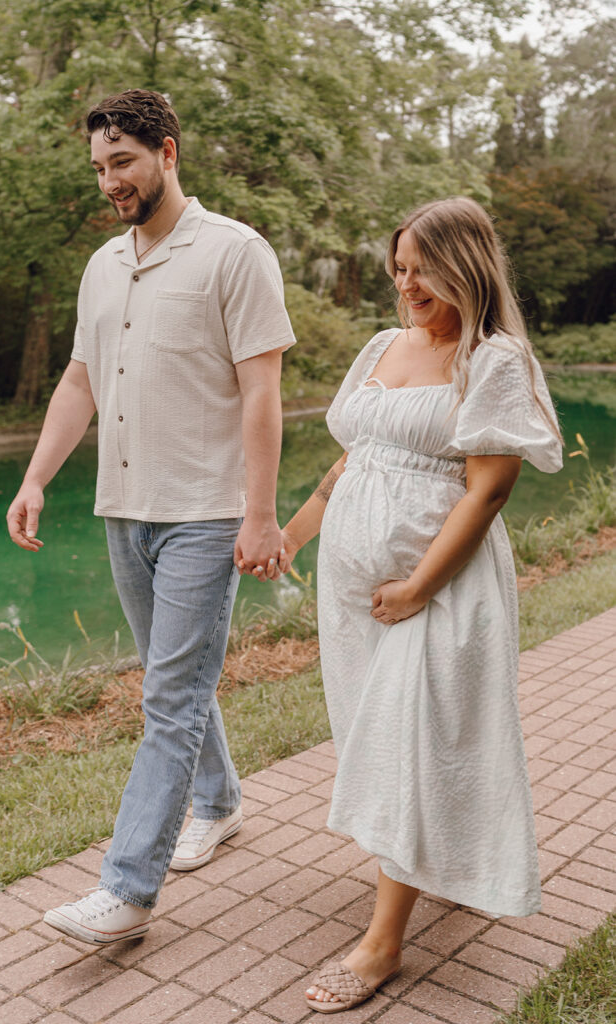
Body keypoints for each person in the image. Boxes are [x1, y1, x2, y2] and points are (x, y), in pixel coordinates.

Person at [6, 88, 296, 945]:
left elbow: (263, 392)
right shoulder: (104, 266)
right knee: (174, 678)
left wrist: (260, 514)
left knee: (168, 697)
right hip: (122, 511)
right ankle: (219, 800)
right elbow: (80, 381)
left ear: (167, 152)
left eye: (123, 162)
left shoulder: (236, 253)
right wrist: (34, 478)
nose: (110, 182)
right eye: (99, 168)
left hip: (206, 513)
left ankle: (127, 892)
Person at [273, 197, 562, 1014]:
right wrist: (291, 535)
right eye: (397, 269)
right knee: (393, 741)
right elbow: (352, 461)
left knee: (410, 743)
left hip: (441, 592)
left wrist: (418, 586)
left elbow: (488, 490)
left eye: (419, 270)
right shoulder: (382, 346)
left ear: (463, 266)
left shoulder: (492, 361)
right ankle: (433, 867)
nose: (404, 285)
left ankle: (381, 944)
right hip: (357, 598)